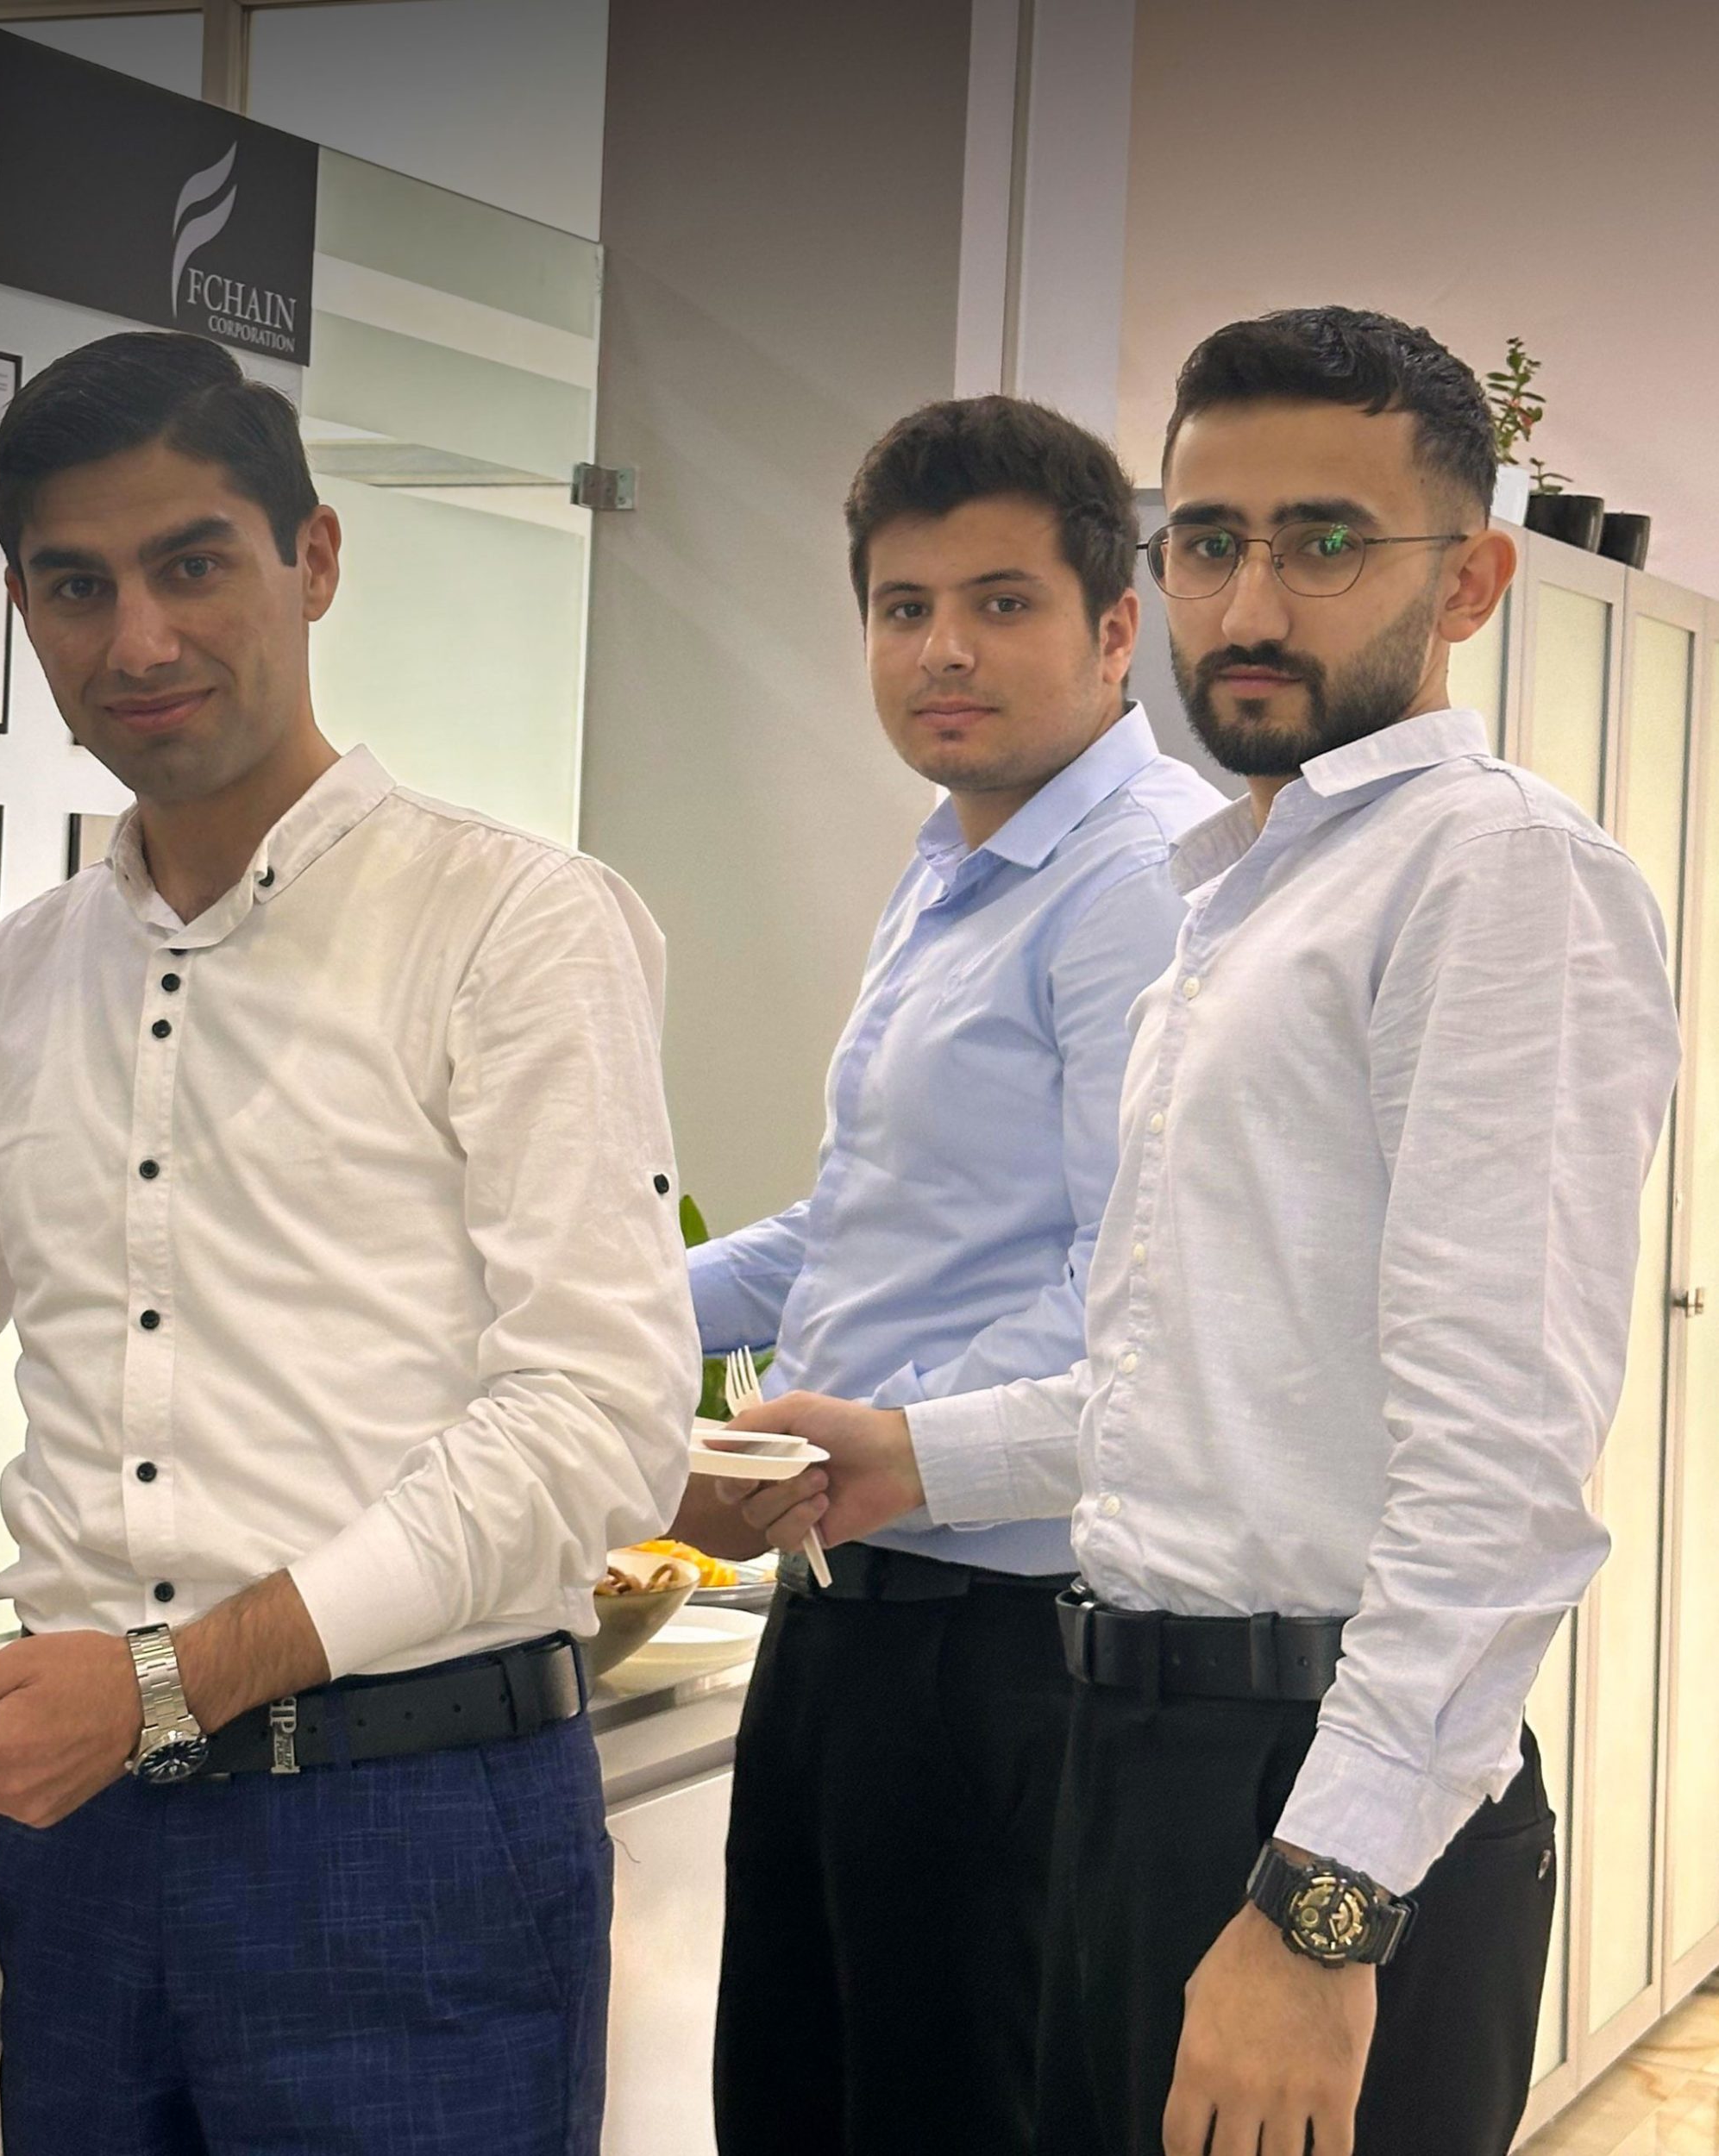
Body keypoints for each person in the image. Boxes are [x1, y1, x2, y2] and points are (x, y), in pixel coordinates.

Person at [0, 330, 697, 2156]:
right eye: (78, 585)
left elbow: (596, 1415)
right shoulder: (13, 979)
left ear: (312, 560)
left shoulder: (509, 923)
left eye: (192, 564)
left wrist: (172, 1679)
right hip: (84, 1844)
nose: (140, 639)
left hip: (410, 1833)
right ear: (21, 608)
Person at [730, 309, 1680, 2156]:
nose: (1249, 603)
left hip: (1314, 1790)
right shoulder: (1244, 889)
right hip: (1136, 1748)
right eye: (1210, 542)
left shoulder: (1493, 874)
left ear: (1468, 580)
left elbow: (1498, 1472)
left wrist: (1324, 1904)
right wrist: (910, 1455)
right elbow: (1199, 1384)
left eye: (1325, 543)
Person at [675, 396, 1225, 2155]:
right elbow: (854, 1225)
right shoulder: (956, 863)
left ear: (1115, 628)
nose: (942, 651)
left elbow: (1134, 1285)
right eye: (902, 607)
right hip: (853, 1608)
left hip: (1000, 1651)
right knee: (791, 2106)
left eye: (1000, 602)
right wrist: (590, 1319)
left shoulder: (1134, 882)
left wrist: (887, 1442)